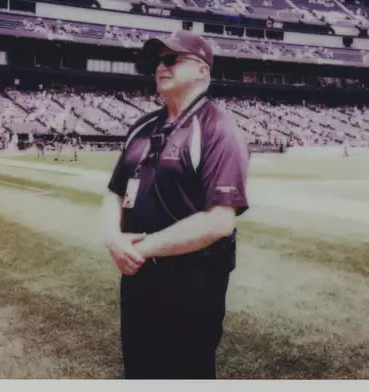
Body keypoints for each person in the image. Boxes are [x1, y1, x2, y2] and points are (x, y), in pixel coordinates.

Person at [101, 30, 250, 380]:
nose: (160, 67)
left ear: (201, 70)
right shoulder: (141, 127)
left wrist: (139, 248)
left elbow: (219, 221)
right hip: (138, 278)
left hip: (192, 283)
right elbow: (113, 192)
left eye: (171, 59)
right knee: (139, 371)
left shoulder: (218, 128)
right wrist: (112, 238)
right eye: (158, 62)